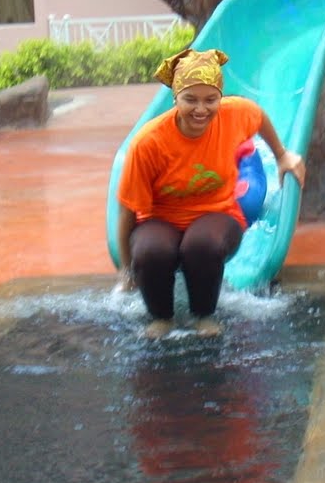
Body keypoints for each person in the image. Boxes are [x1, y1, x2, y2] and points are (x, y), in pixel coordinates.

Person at [115, 47, 306, 339]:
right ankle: (161, 319)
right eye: (190, 99)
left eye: (210, 99)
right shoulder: (149, 142)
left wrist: (281, 155)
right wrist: (126, 270)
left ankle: (203, 315)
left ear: (220, 97)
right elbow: (127, 210)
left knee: (201, 245)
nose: (201, 109)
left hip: (218, 212)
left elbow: (259, 117)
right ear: (175, 98)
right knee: (151, 251)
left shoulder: (234, 113)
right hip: (160, 218)